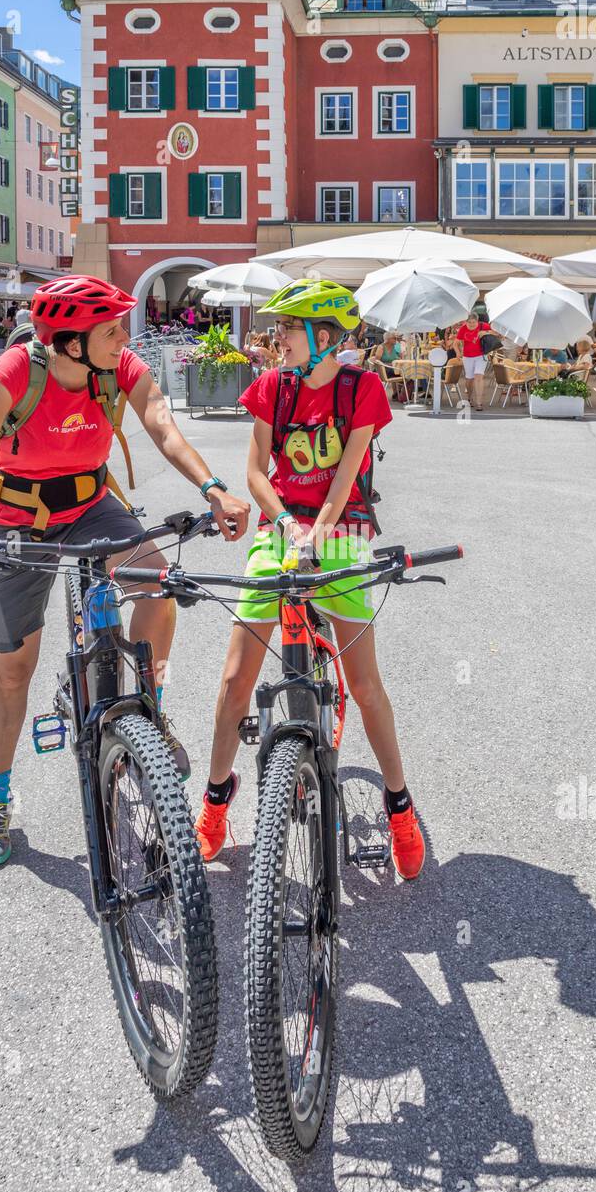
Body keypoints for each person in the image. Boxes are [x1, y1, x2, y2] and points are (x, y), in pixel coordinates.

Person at [0, 274, 250, 869]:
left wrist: (213, 488)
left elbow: (161, 424)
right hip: (16, 519)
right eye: (111, 329)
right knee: (14, 669)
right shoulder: (16, 371)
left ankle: (147, 709)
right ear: (71, 343)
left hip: (91, 504)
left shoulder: (117, 365)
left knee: (157, 586)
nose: (124, 337)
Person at [193, 277, 428, 881]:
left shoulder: (362, 390)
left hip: (341, 532)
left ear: (324, 337)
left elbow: (348, 474)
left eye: (288, 330)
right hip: (281, 529)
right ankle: (216, 796)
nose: (277, 340)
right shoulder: (273, 385)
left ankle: (398, 802)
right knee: (235, 675)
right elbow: (253, 469)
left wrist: (316, 533)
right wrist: (283, 525)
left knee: (366, 683)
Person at [455, 312, 492, 412]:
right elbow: (456, 343)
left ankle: (479, 403)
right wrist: (458, 352)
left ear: (477, 321)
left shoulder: (483, 326)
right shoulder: (463, 328)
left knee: (478, 377)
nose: (471, 324)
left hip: (481, 355)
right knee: (469, 380)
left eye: (473, 322)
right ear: (466, 322)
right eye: (469, 322)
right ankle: (469, 397)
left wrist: (486, 332)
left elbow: (497, 334)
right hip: (467, 357)